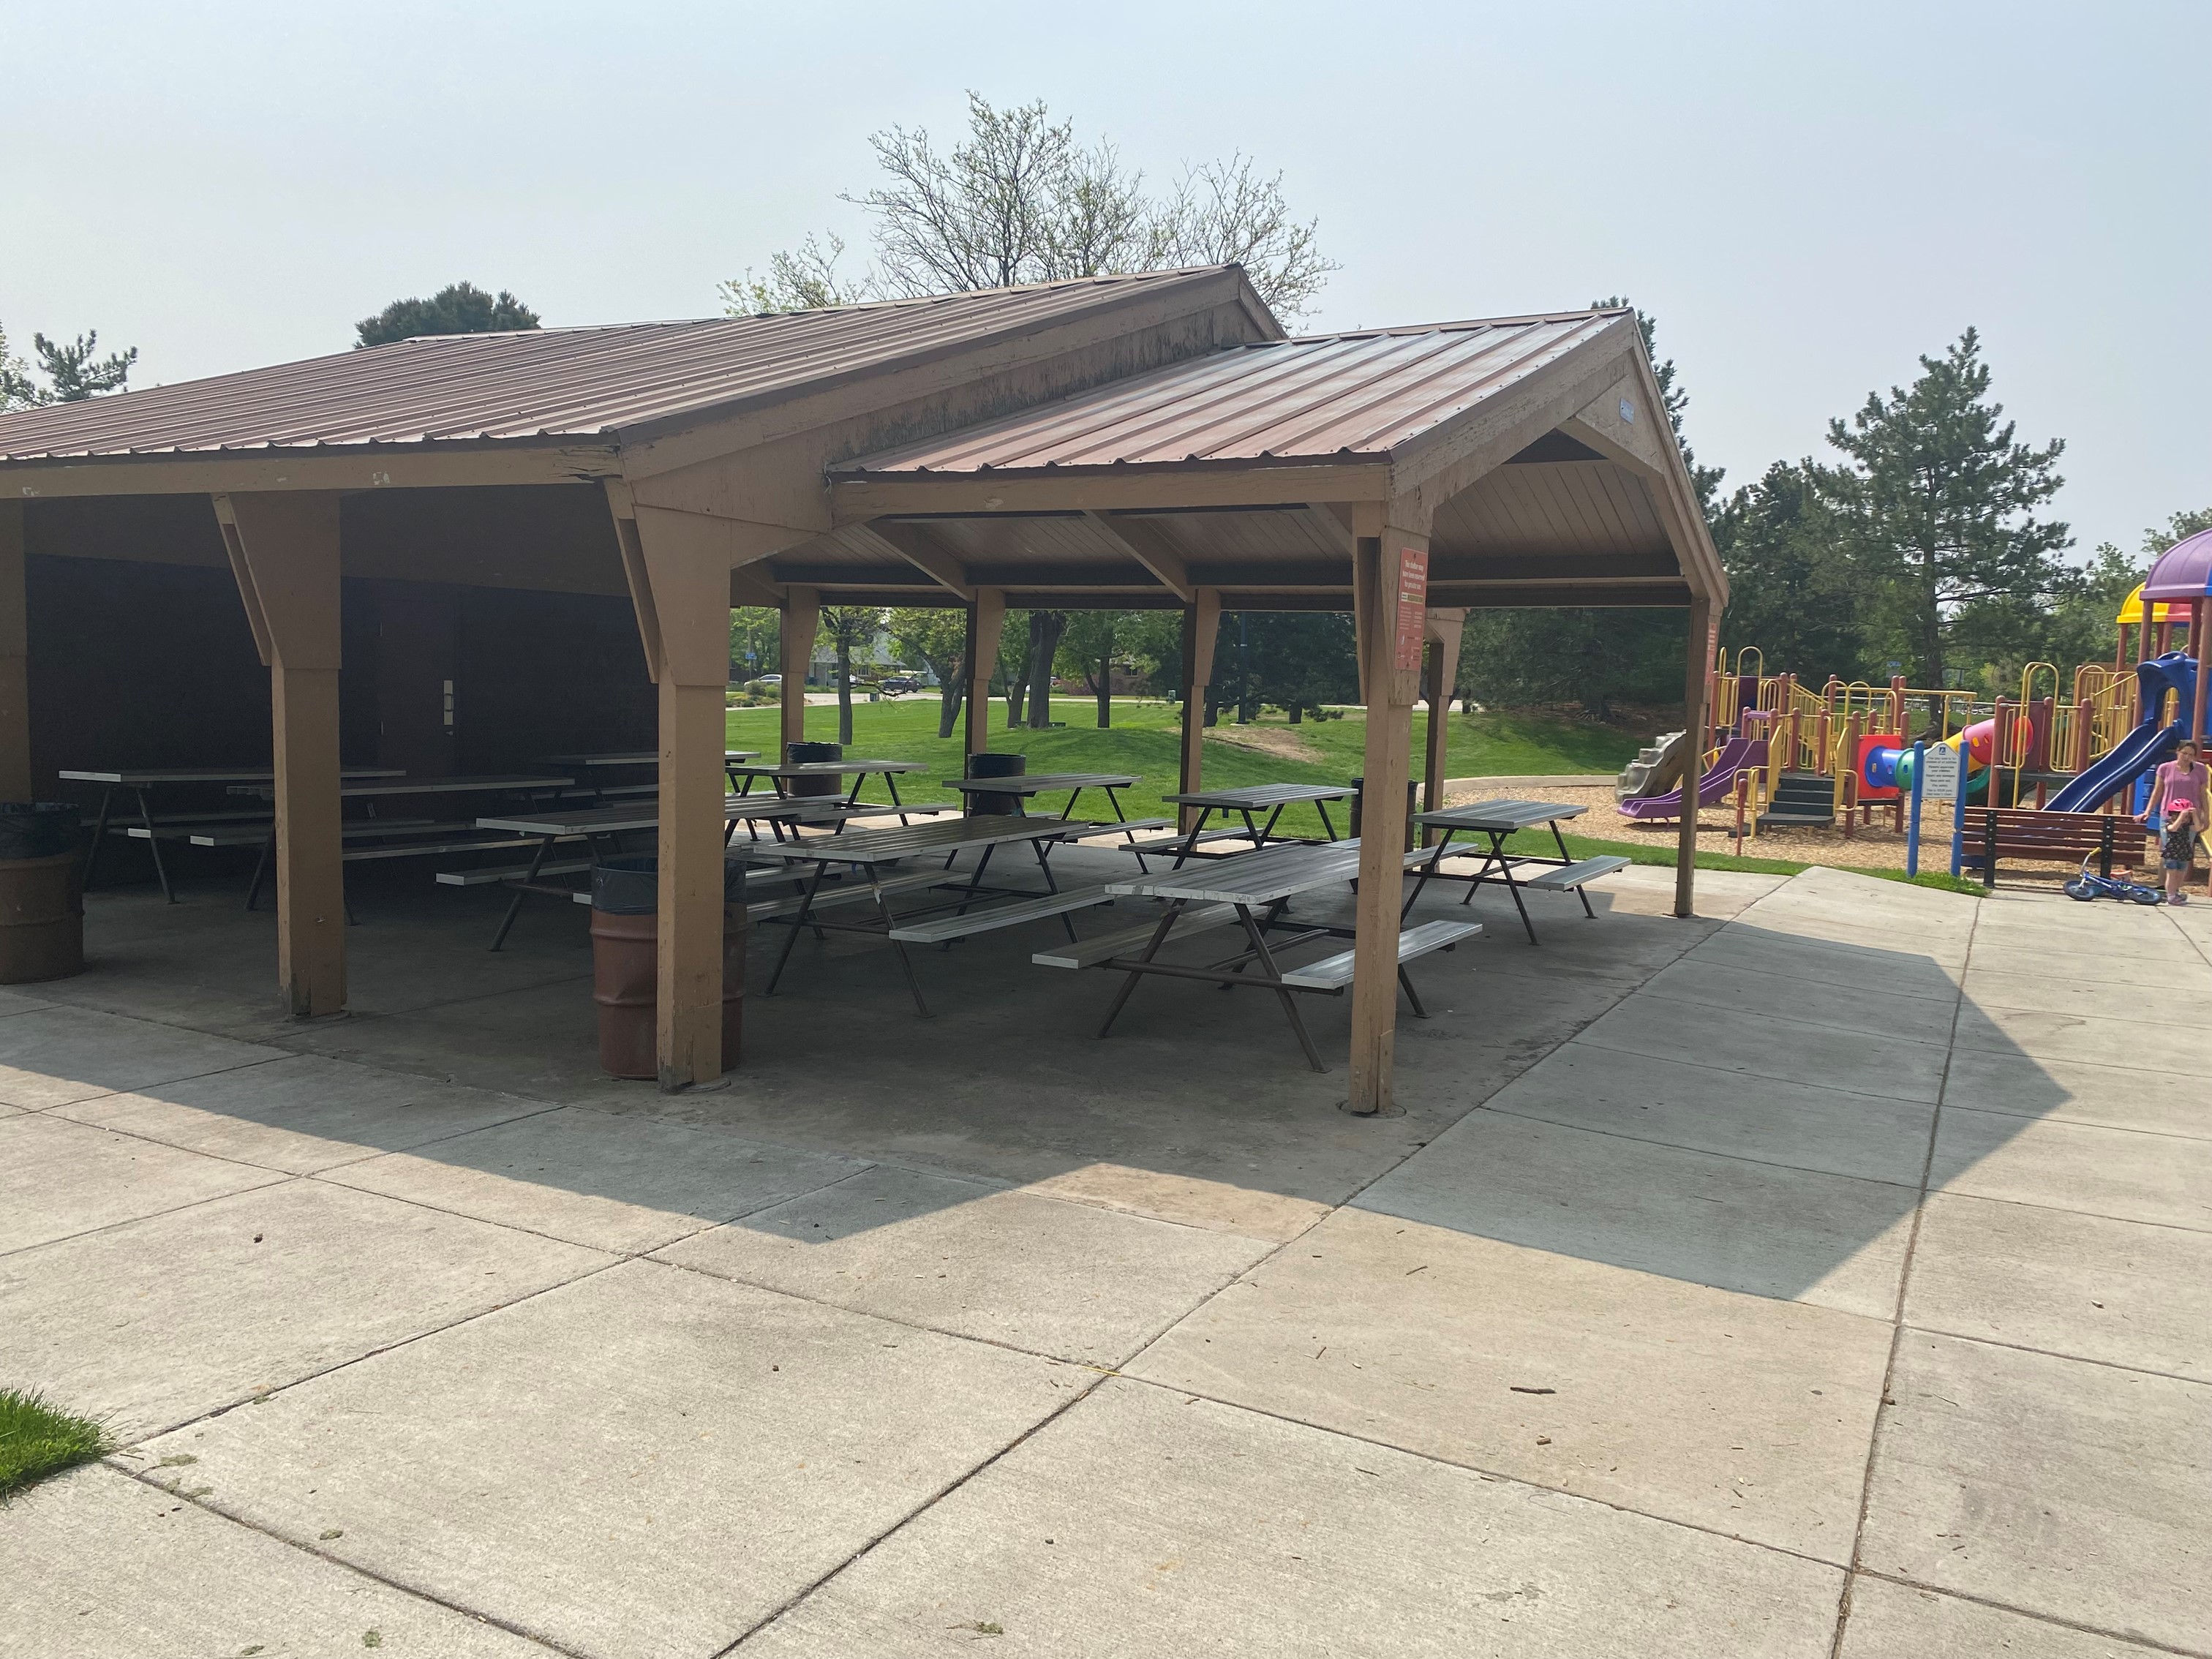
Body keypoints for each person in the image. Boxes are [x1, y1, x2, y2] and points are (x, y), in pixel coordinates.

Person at [2139, 737, 2211, 904]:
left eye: (2191, 755)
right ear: (2178, 752)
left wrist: (2205, 816)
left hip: (2191, 817)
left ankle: (2175, 890)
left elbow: (2203, 795)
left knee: (2184, 853)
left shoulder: (2200, 770)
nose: (2186, 757)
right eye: (2184, 753)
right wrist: (2148, 811)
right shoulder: (2165, 769)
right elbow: (2157, 791)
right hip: (2169, 816)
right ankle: (2164, 888)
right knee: (2169, 851)